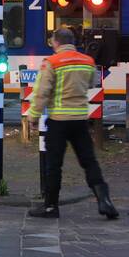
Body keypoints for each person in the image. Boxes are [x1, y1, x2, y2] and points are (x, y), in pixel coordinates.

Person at [25, 27, 119, 220]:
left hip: (58, 120)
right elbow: (93, 83)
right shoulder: (87, 61)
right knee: (89, 161)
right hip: (80, 120)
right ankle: (104, 200)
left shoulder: (51, 62)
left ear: (56, 42)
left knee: (54, 164)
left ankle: (51, 206)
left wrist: (32, 117)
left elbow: (42, 93)